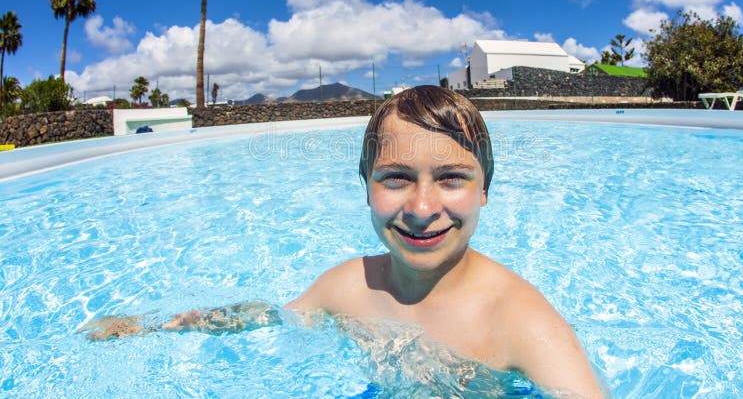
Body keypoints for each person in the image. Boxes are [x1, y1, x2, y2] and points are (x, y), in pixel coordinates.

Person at [83, 85, 603, 398]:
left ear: (485, 190)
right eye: (396, 178)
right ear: (365, 186)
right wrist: (153, 326)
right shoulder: (349, 286)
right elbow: (270, 317)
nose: (422, 209)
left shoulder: (522, 322)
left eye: (451, 178)